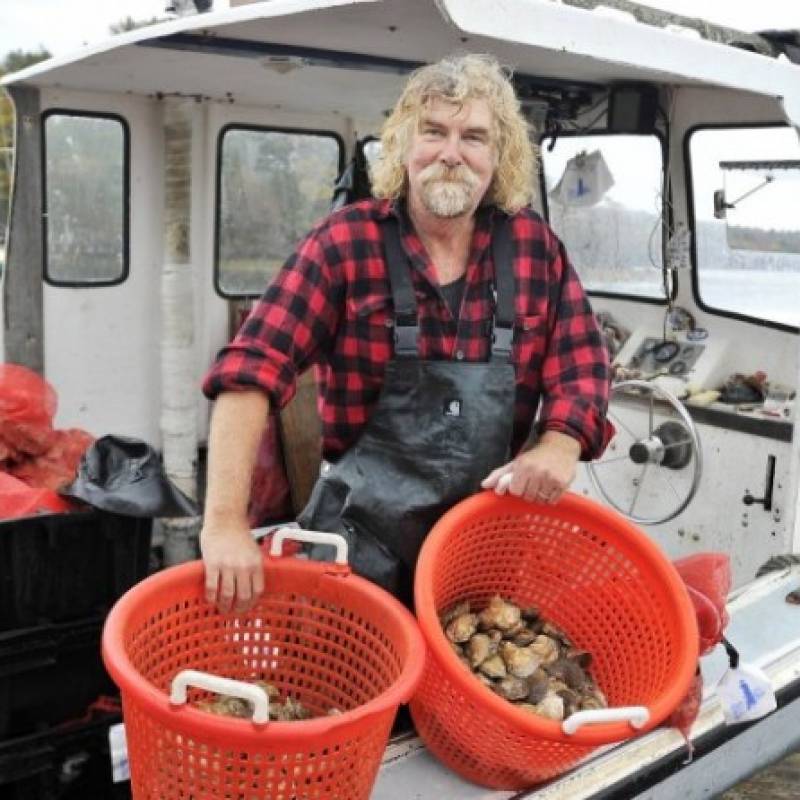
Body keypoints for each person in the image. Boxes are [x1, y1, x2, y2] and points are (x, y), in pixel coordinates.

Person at [200, 53, 613, 612]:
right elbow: (249, 373)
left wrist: (560, 444)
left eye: (473, 137)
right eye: (434, 131)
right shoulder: (345, 243)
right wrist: (224, 524)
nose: (451, 153)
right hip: (356, 549)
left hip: (482, 549)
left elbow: (583, 365)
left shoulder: (534, 248)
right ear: (402, 144)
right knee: (352, 687)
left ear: (501, 155)